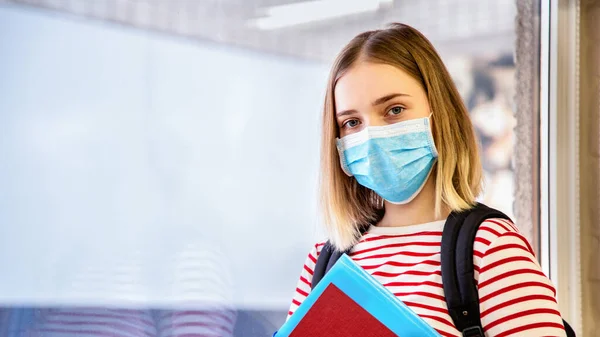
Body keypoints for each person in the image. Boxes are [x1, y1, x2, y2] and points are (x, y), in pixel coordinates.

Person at [287, 23, 567, 337]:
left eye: (394, 110)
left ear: (440, 115)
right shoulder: (324, 262)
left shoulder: (489, 247)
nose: (371, 135)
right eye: (352, 122)